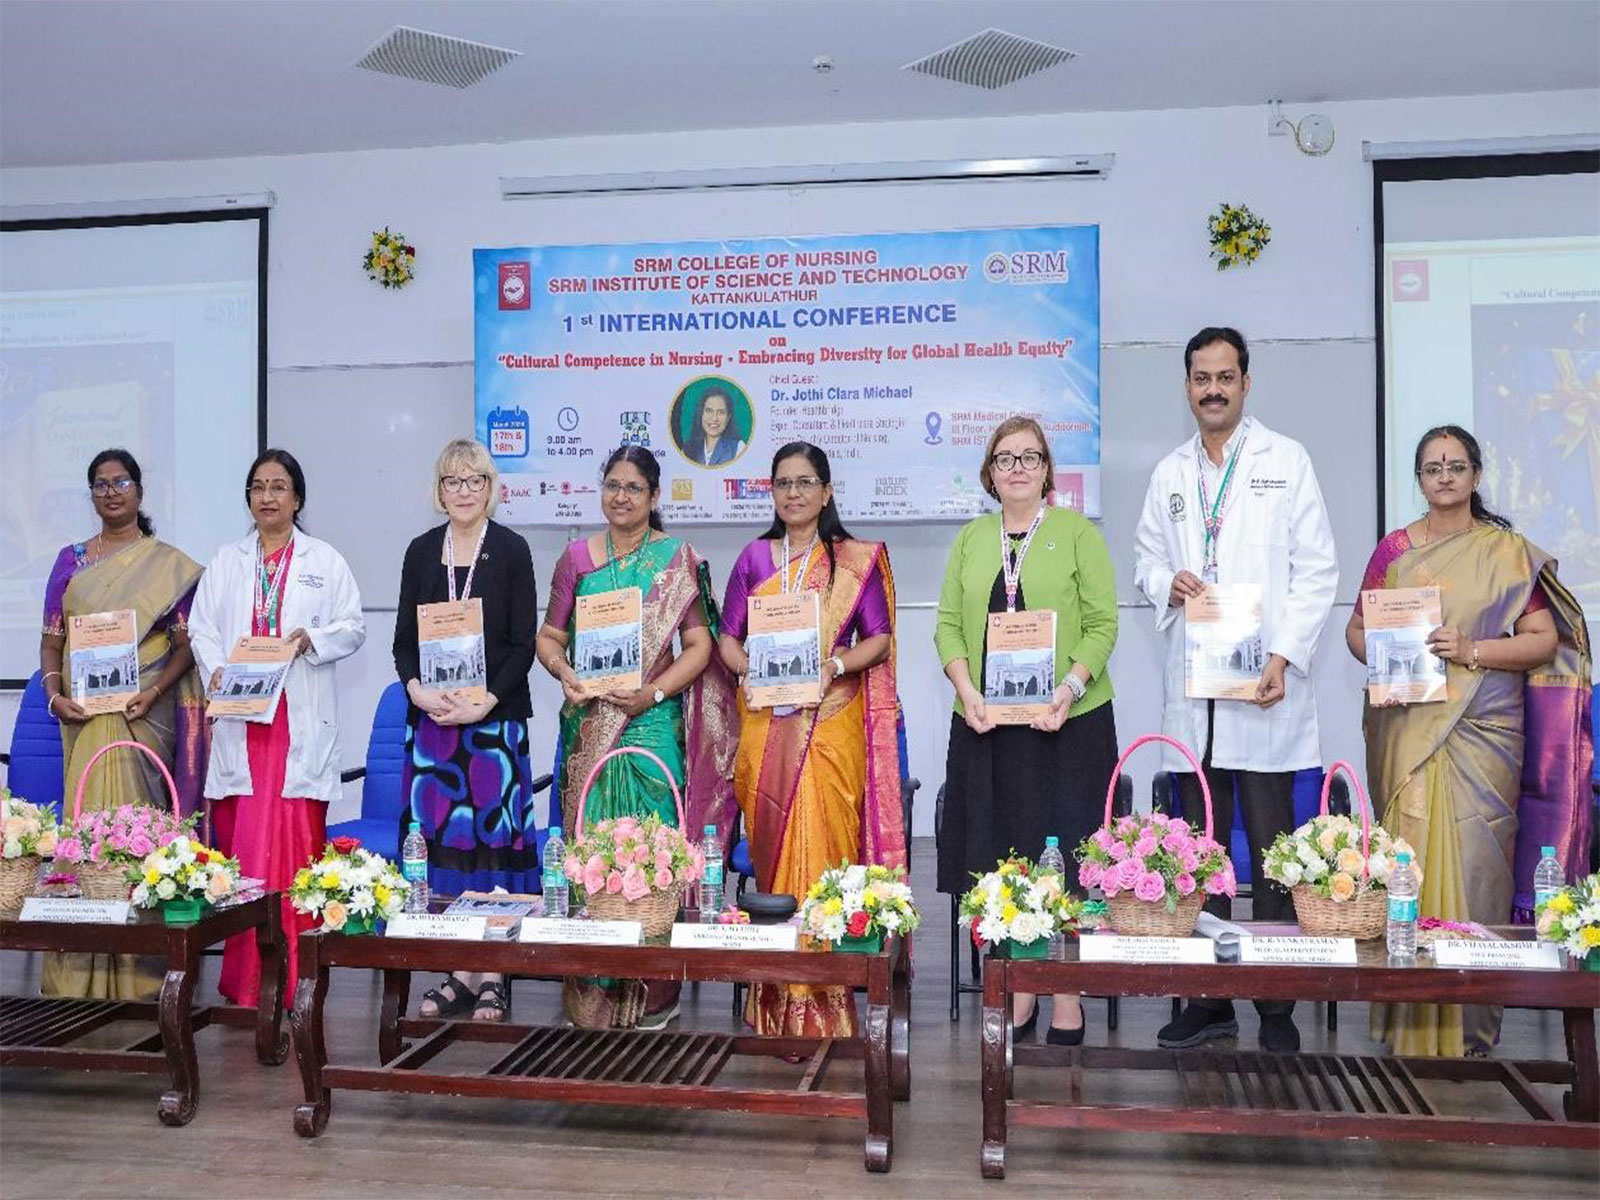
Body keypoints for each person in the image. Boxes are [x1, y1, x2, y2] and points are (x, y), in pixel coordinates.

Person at [1347, 425, 1591, 1058]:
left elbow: (1542, 641)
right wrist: (1386, 654)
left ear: (1477, 476)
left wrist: (1473, 651)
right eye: (1433, 468)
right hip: (1409, 730)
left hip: (1486, 738)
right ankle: (1406, 1022)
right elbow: (1355, 631)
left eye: (1457, 466)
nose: (1446, 477)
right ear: (1420, 480)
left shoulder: (1506, 552)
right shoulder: (1394, 550)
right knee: (1409, 868)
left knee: (1479, 870)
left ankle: (1473, 1029)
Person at [1133, 326, 1338, 1055]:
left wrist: (1284, 656)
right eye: (1200, 377)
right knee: (1202, 860)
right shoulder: (1169, 474)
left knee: (1275, 860)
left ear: (1246, 383)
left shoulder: (1288, 461)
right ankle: (1211, 1001)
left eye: (1225, 376)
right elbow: (1146, 562)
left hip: (1264, 695)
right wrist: (1169, 582)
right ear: (1187, 386)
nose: (1212, 388)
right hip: (1197, 700)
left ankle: (1275, 1010)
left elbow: (1317, 570)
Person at [535, 446, 738, 1029]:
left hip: (651, 720)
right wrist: (566, 675)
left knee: (653, 842)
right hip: (589, 718)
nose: (620, 496)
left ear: (653, 497)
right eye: (612, 485)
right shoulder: (576, 558)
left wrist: (653, 693)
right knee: (590, 842)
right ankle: (592, 985)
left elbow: (699, 646)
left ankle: (652, 988)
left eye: (633, 488)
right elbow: (548, 638)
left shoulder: (676, 560)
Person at [935, 416, 1119, 1046]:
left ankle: (1066, 995)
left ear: (1047, 470)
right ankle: (1016, 990)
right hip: (989, 728)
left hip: (1068, 727)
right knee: (1000, 856)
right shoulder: (971, 539)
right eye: (1005, 458)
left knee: (1066, 857)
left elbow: (1102, 625)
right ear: (989, 472)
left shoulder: (1075, 534)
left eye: (1030, 457)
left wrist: (1068, 690)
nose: (1017, 467)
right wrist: (967, 692)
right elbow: (948, 629)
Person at [717, 441, 903, 1037]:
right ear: (771, 492)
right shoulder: (753, 557)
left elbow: (879, 637)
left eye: (805, 482)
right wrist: (745, 669)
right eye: (782, 483)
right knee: (774, 857)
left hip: (829, 723)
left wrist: (835, 667)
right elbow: (726, 636)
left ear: (826, 491)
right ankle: (773, 998)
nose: (793, 493)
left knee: (823, 851)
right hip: (766, 727)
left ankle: (822, 997)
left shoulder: (853, 560)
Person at [189, 449, 365, 1009]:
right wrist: (215, 667)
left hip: (295, 722)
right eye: (259, 487)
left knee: (292, 850)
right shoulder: (226, 561)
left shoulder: (325, 560)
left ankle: (296, 980)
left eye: (279, 487)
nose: (268, 496)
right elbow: (201, 629)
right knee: (244, 849)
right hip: (244, 717)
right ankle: (243, 982)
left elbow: (353, 627)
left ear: (298, 498)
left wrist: (313, 639)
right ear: (249, 498)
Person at [38, 449, 205, 999]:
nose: (112, 492)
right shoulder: (70, 561)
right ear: (91, 494)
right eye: (101, 484)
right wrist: (54, 693)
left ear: (139, 490)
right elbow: (53, 640)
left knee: (137, 834)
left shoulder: (169, 564)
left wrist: (154, 690)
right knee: (87, 834)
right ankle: (78, 975)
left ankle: (142, 975)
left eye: (122, 482)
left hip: (141, 719)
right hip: (86, 720)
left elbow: (184, 646)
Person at [394, 438, 538, 1023]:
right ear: (439, 489)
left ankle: (494, 973)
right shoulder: (421, 551)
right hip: (434, 728)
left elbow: (522, 643)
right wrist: (417, 690)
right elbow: (404, 640)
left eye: (474, 480)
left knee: (493, 853)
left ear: (490, 487)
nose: (463, 491)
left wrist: (486, 701)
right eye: (452, 481)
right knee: (447, 853)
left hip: (493, 728)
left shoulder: (511, 549)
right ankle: (456, 970)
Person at [680, 386, 745, 467]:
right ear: (701, 415)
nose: (714, 418)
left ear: (728, 418)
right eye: (709, 411)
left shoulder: (739, 448)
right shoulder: (687, 450)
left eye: (721, 412)